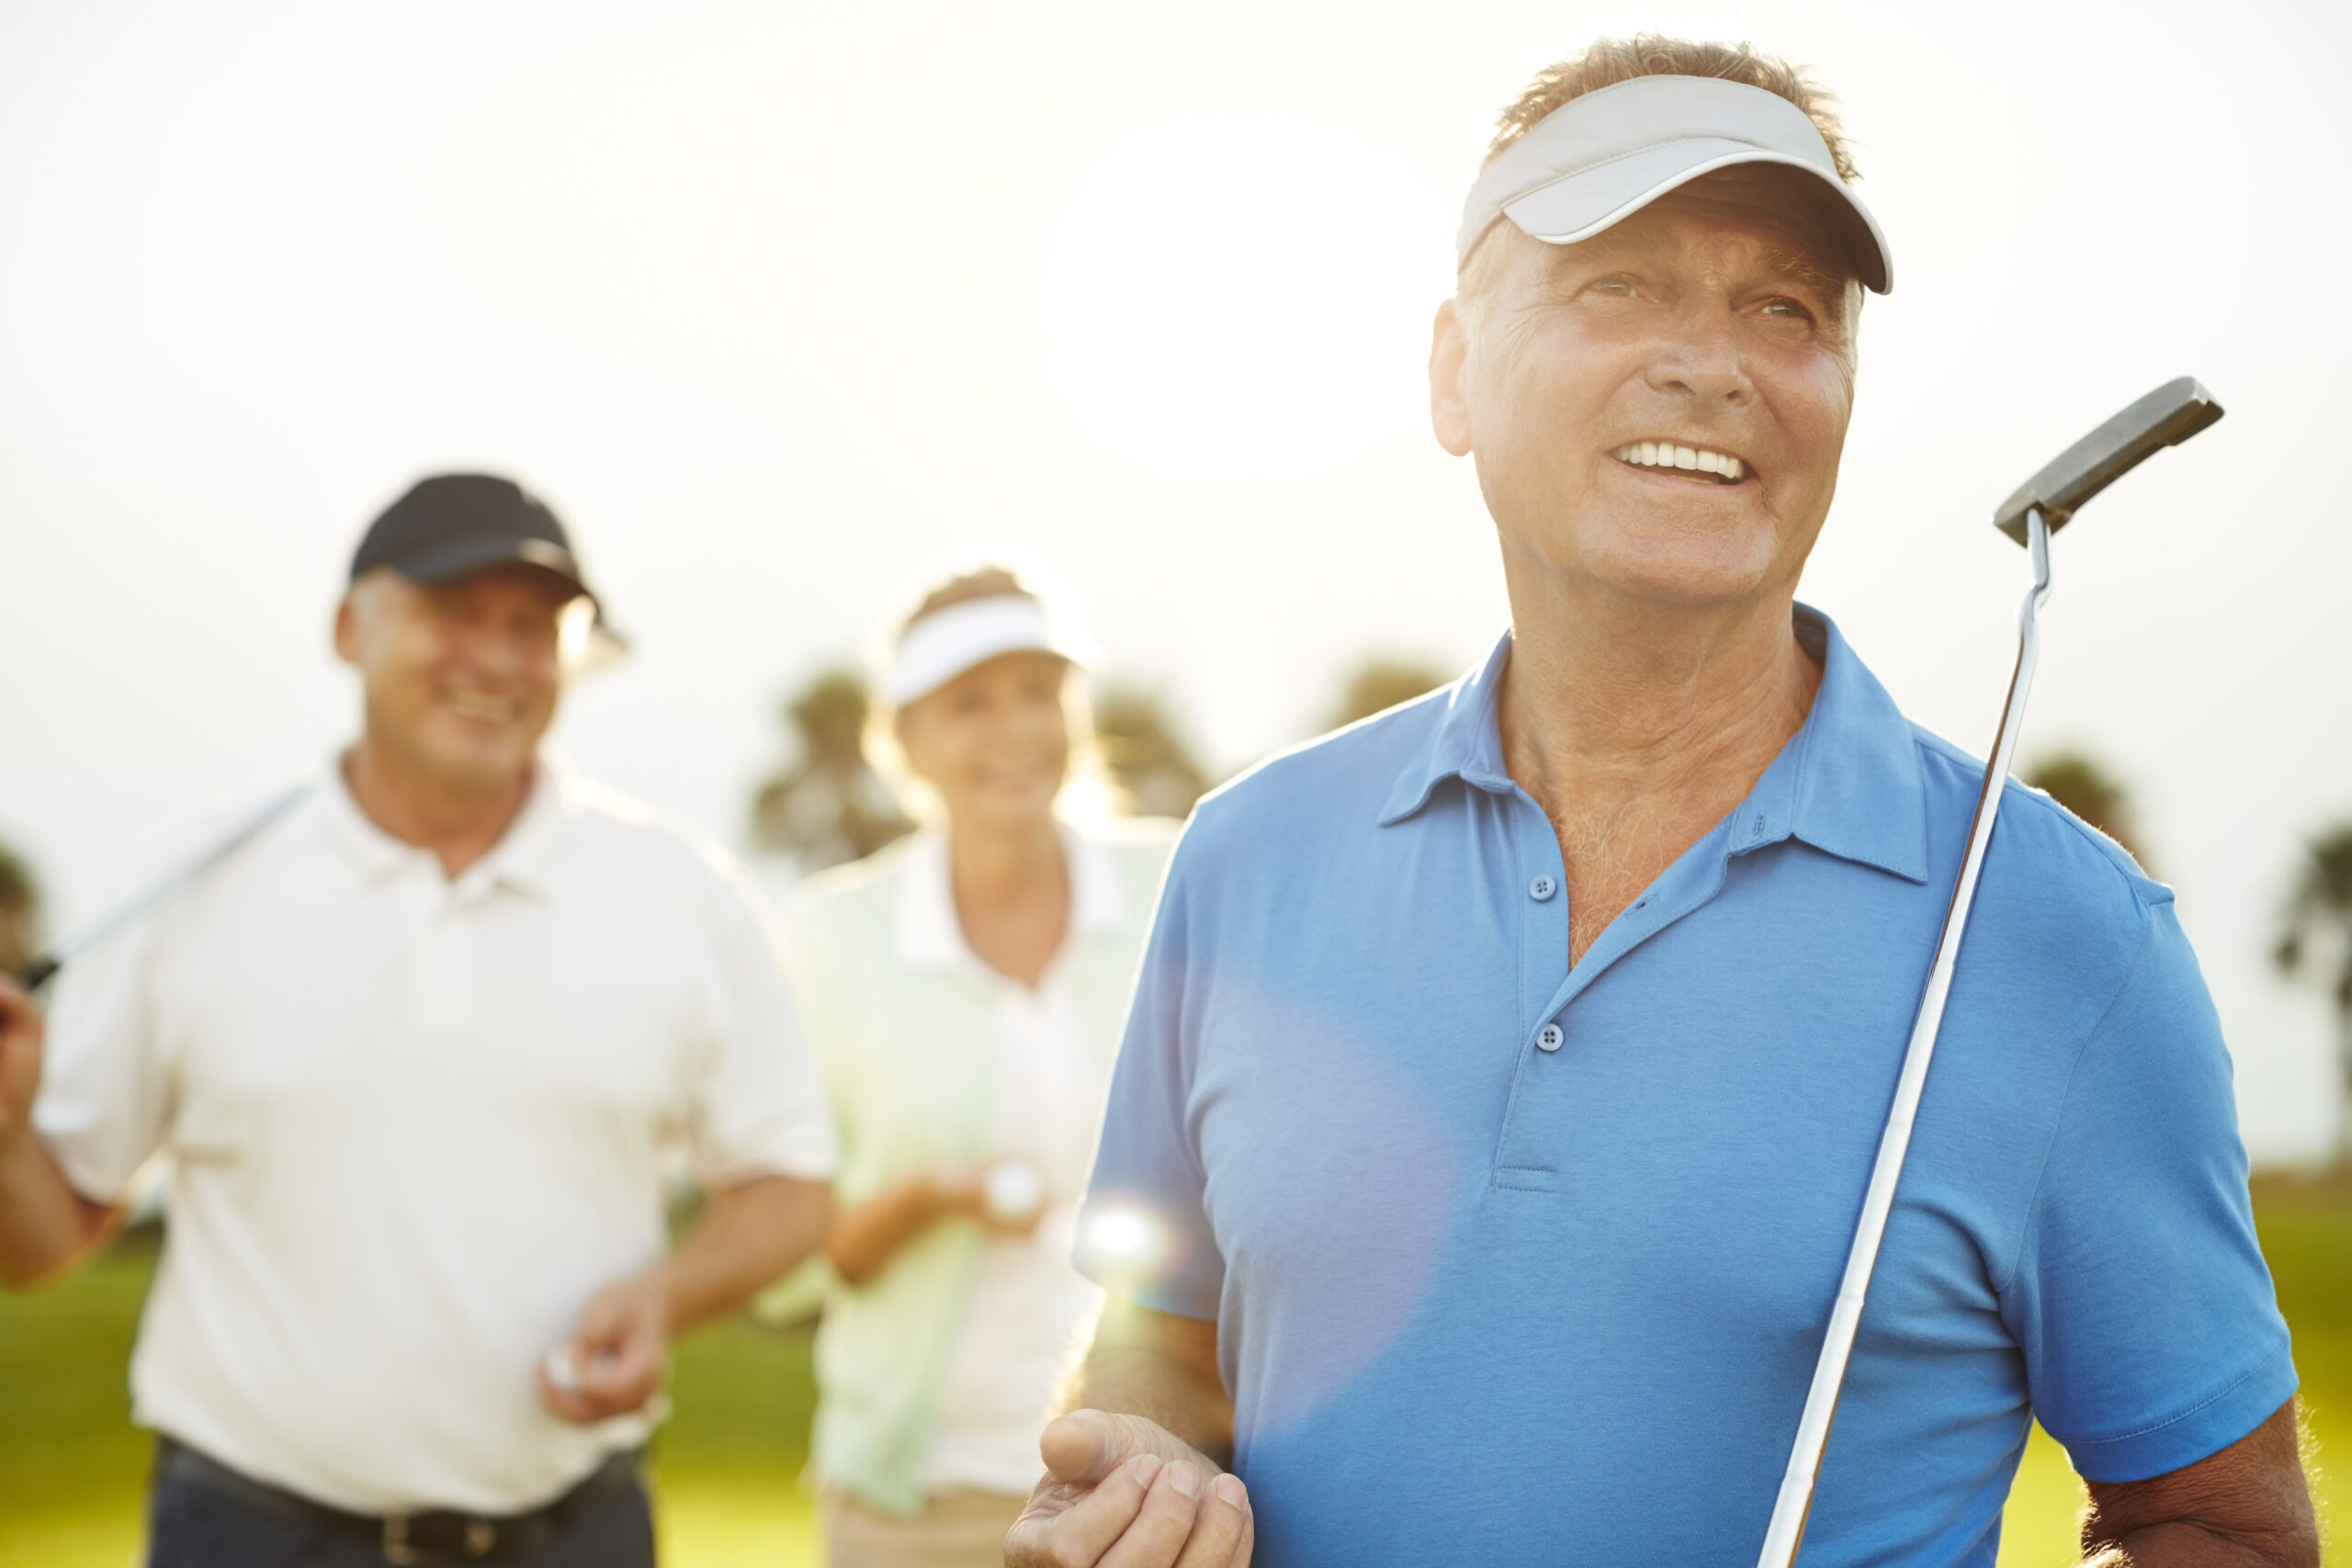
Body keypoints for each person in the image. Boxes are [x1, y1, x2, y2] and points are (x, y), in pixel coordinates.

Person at [1006, 38, 2317, 1568]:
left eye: (1785, 308)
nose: (1716, 362)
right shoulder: (1249, 859)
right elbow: (1160, 1342)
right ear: (1452, 370)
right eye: (1620, 284)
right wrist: (1143, 1471)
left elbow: (2226, 1530)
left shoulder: (2063, 938)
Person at [0, 473, 837, 1567]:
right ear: (351, 628)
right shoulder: (193, 886)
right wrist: (11, 1134)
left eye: (534, 629)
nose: (496, 659)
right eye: (453, 612)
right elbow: (45, 1244)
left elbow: (790, 1187)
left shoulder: (683, 892)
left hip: (577, 1530)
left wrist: (665, 1296)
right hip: (249, 1532)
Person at [776, 564, 1175, 1567]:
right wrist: (922, 1197)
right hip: (924, 1497)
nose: (1015, 729)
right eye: (969, 704)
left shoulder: (1179, 877)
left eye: (1040, 693)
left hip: (1153, 1477)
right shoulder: (833, 939)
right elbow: (786, 1255)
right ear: (904, 738)